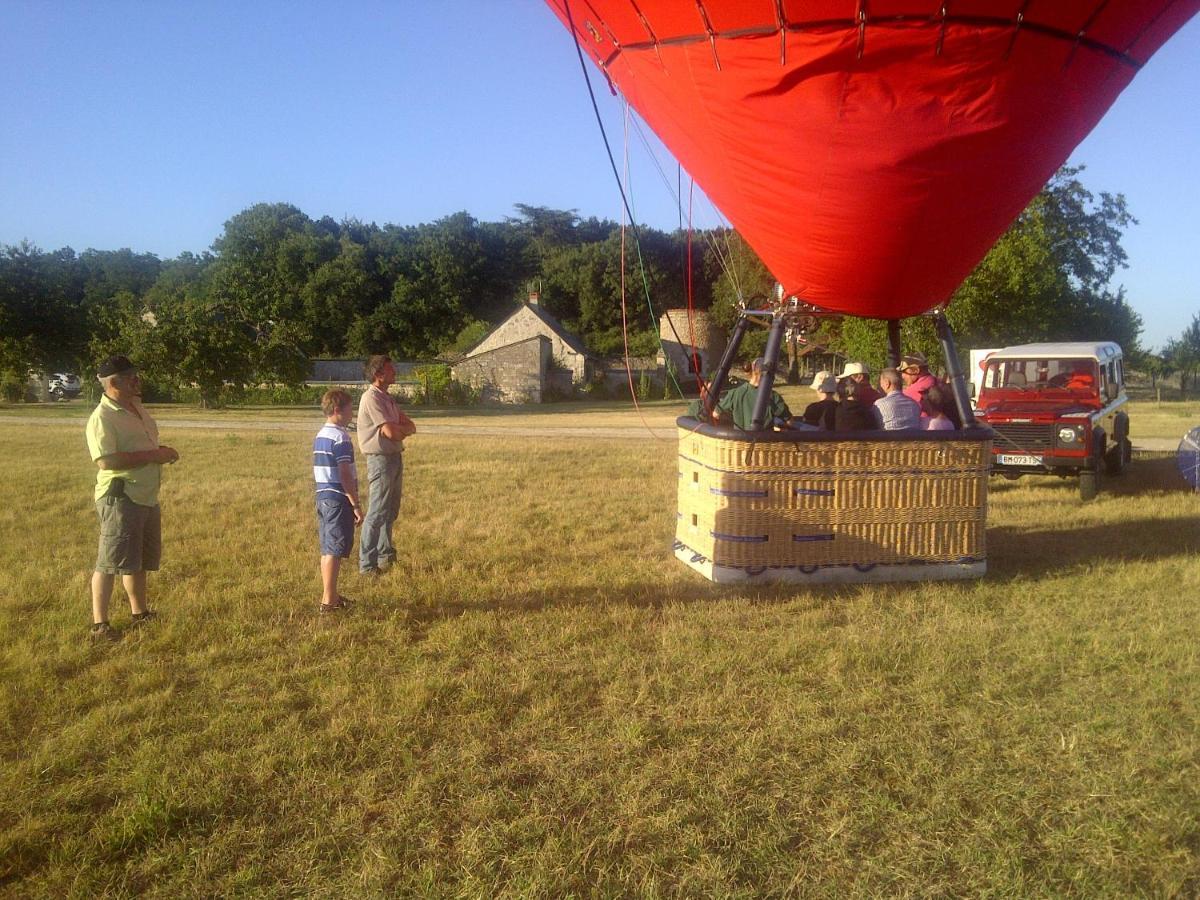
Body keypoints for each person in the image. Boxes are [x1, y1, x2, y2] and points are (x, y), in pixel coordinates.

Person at [85, 355, 179, 642]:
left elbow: (141, 445)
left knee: (136, 559)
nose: (138, 381)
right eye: (132, 377)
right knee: (109, 560)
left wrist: (161, 451)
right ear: (114, 383)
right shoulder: (102, 417)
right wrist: (154, 456)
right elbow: (106, 460)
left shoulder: (136, 407)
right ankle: (100, 624)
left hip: (145, 495)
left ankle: (140, 613)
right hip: (121, 496)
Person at [357, 355, 417, 576]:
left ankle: (385, 555)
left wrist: (402, 430)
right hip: (380, 460)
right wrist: (402, 430)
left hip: (394, 456)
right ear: (378, 374)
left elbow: (409, 424)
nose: (395, 373)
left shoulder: (387, 398)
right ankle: (367, 565)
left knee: (390, 511)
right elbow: (392, 432)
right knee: (376, 513)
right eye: (391, 370)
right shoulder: (371, 398)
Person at [314, 390, 363, 613]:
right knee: (334, 550)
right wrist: (355, 503)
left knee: (327, 549)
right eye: (349, 409)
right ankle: (328, 602)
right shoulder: (340, 437)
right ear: (337, 410)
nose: (352, 413)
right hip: (337, 498)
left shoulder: (321, 434)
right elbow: (344, 473)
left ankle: (331, 595)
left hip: (322, 496)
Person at [715, 358, 794, 430]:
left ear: (752, 370)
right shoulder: (773, 396)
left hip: (739, 443)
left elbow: (715, 414)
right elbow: (790, 422)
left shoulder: (735, 393)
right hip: (764, 444)